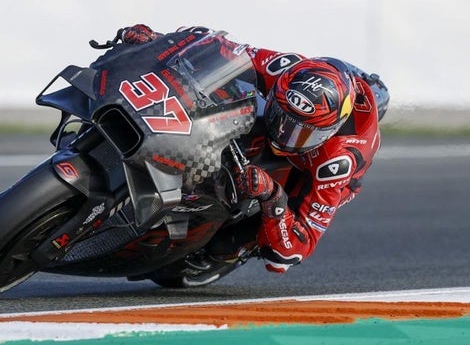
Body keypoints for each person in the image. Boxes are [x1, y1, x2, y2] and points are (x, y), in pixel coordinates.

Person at [121, 24, 389, 273]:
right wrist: (156, 42)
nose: (283, 134)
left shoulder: (338, 161)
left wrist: (273, 197)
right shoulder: (284, 69)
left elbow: (297, 247)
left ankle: (227, 249)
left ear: (329, 131)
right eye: (281, 117)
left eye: (300, 132)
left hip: (308, 172)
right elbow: (221, 49)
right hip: (280, 112)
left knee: (260, 252)